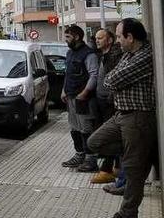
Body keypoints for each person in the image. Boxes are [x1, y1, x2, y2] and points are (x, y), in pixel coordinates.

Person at [88, 18, 157, 218]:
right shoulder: (128, 54)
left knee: (134, 170)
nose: (117, 40)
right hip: (121, 115)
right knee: (95, 142)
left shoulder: (144, 56)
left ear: (130, 37)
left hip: (137, 116)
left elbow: (112, 79)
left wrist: (114, 80)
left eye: (119, 36)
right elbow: (110, 78)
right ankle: (141, 152)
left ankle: (128, 213)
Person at [60, 24, 100, 173]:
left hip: (84, 99)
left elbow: (93, 75)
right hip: (71, 97)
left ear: (77, 37)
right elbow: (68, 73)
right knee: (74, 127)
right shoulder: (70, 53)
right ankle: (79, 154)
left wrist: (84, 93)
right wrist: (64, 90)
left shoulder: (89, 54)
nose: (66, 40)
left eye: (68, 37)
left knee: (86, 128)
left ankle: (91, 158)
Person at [91, 28, 123, 184]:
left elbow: (115, 81)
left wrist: (111, 99)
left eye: (100, 38)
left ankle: (107, 168)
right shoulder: (102, 56)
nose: (97, 40)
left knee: (110, 136)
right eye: (96, 38)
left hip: (111, 102)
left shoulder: (115, 56)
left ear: (109, 40)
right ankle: (116, 166)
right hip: (102, 100)